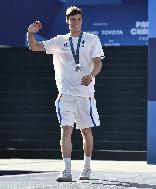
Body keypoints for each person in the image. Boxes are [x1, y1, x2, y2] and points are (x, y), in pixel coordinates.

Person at [27, 6, 104, 182]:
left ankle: (86, 168)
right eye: (72, 19)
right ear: (67, 21)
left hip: (85, 94)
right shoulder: (59, 40)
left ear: (82, 20)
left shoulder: (93, 39)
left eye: (78, 19)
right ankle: (67, 170)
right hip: (65, 94)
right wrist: (30, 33)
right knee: (65, 131)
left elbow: (98, 63)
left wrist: (91, 75)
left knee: (86, 131)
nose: (75, 22)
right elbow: (34, 47)